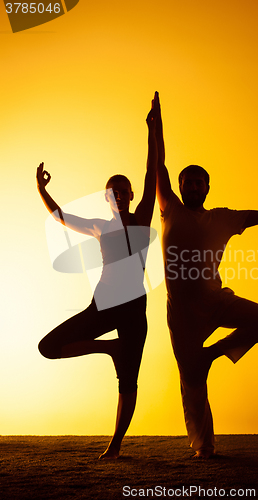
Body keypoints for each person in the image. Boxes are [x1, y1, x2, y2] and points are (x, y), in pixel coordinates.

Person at [154, 93, 258, 458]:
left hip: (217, 301)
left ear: (208, 188)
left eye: (200, 183)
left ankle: (213, 353)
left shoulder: (225, 217)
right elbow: (158, 166)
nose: (194, 187)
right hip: (181, 313)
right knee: (192, 383)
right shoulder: (170, 211)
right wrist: (155, 126)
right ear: (180, 189)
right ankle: (204, 448)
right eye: (188, 182)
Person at [36, 93, 158, 460]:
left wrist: (153, 129)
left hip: (134, 306)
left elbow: (154, 168)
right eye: (113, 191)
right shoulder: (99, 226)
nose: (120, 194)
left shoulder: (142, 219)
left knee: (129, 380)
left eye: (125, 190)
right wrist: (42, 189)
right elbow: (60, 216)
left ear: (133, 195)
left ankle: (115, 446)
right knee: (49, 347)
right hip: (103, 304)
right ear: (107, 198)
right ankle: (110, 348)